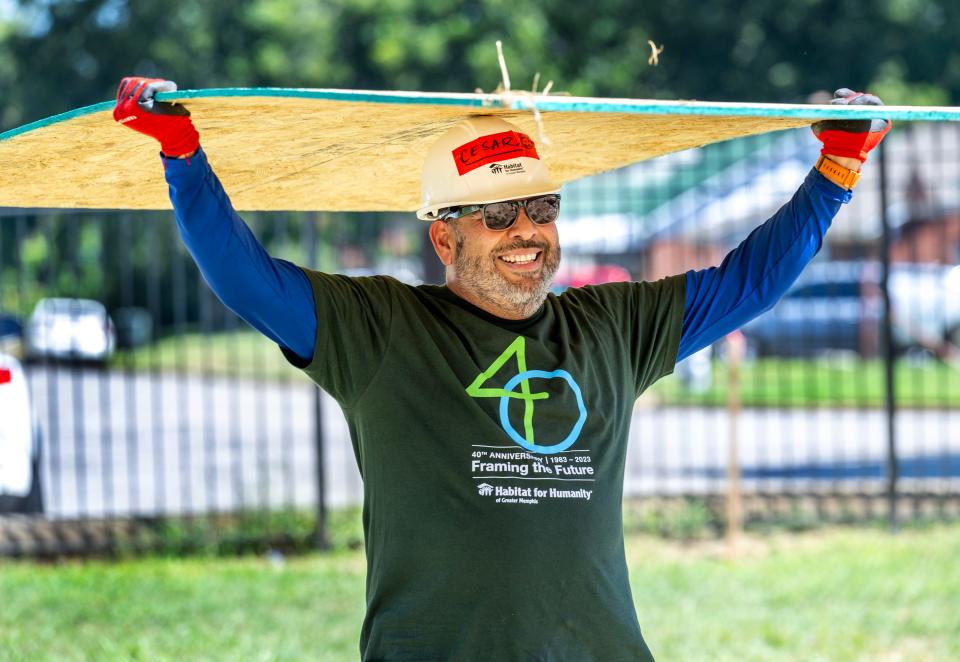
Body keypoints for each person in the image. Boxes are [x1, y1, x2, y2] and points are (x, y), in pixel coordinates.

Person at [114, 77, 889, 660]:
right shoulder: (383, 331)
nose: (527, 232)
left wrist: (838, 166)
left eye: (542, 209)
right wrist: (181, 153)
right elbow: (245, 278)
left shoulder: (613, 327)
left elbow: (748, 282)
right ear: (445, 241)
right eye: (497, 215)